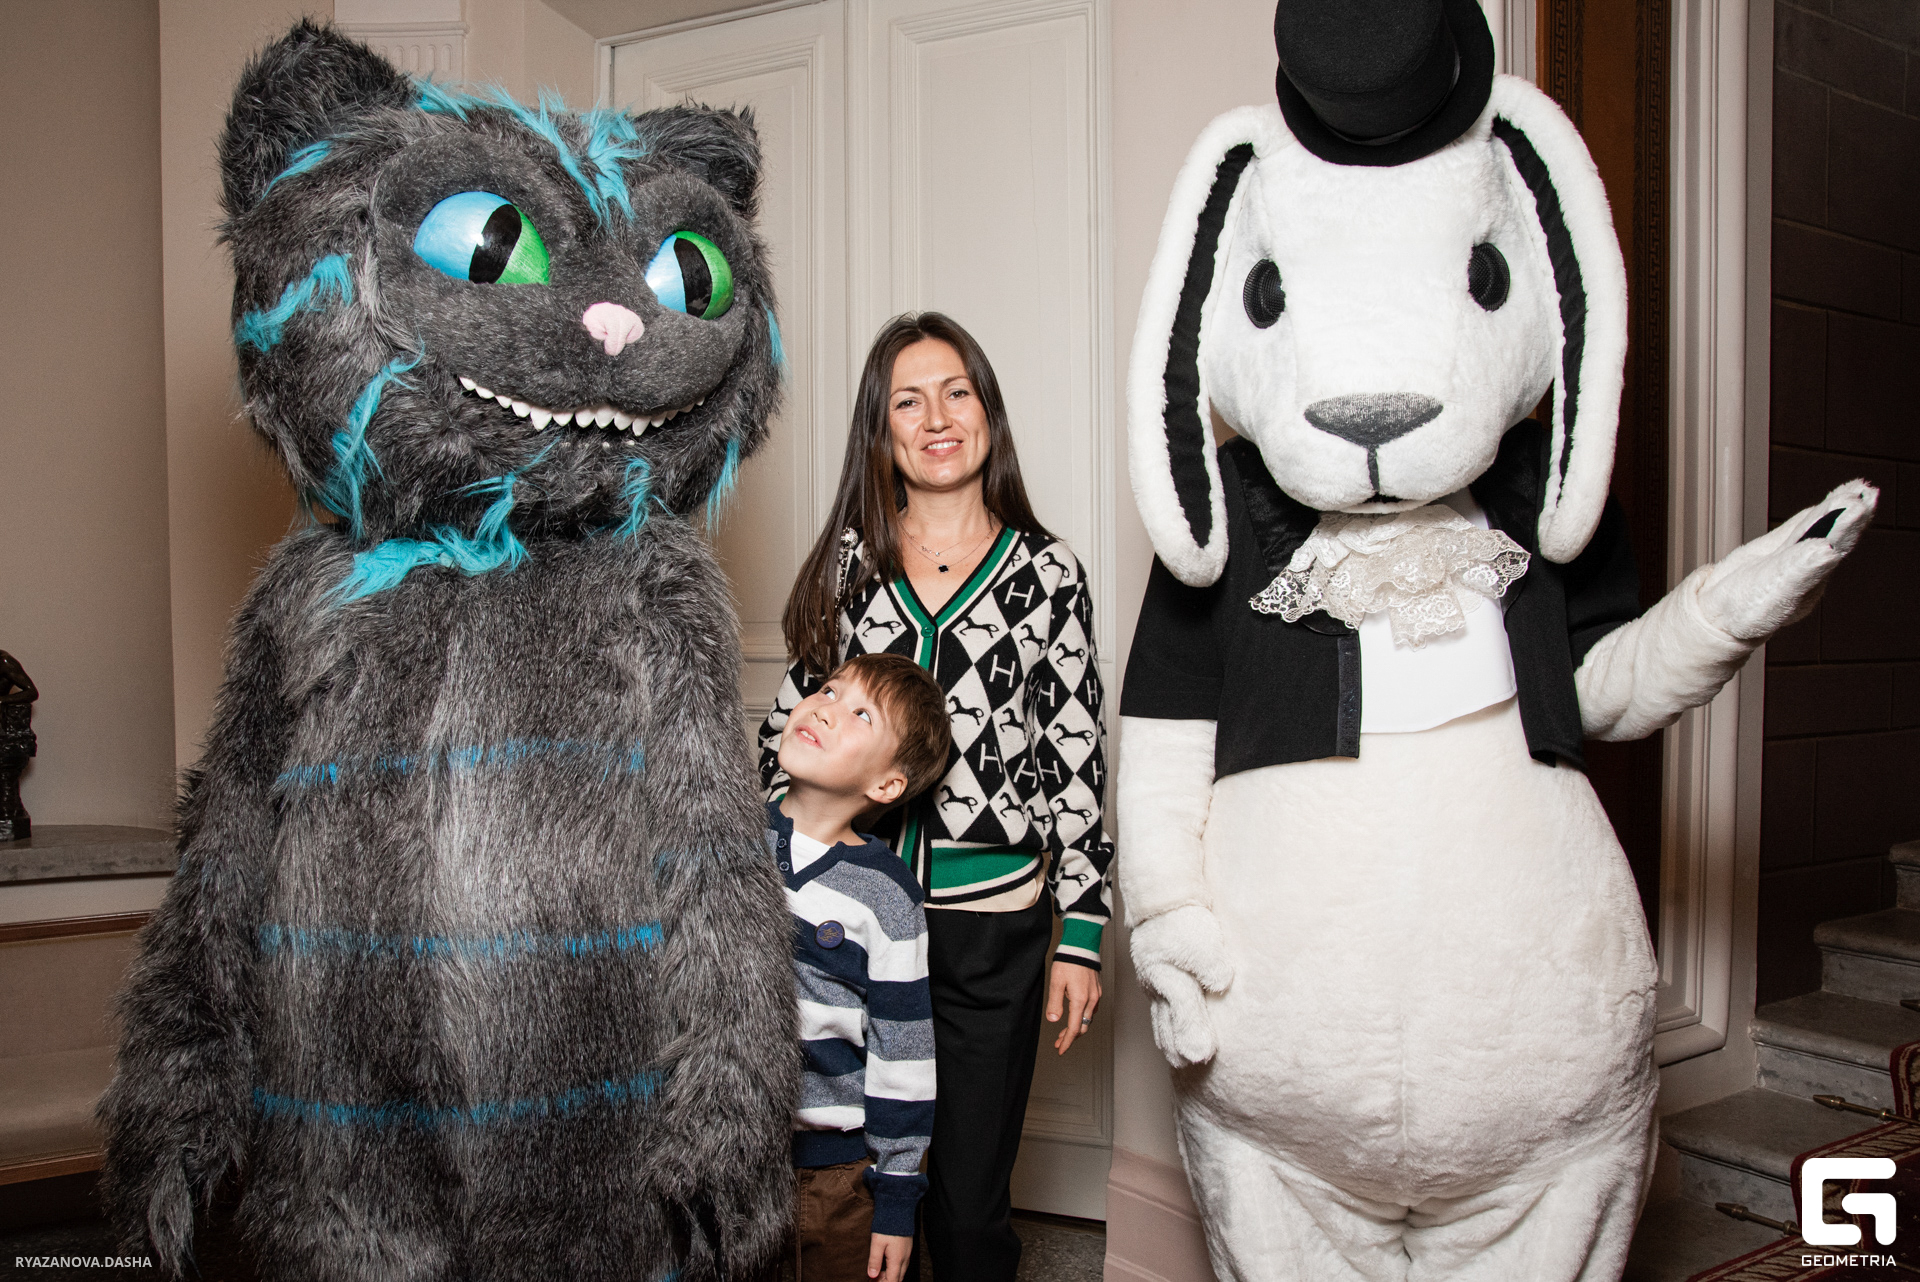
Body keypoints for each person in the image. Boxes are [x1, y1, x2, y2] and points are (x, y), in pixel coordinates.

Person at [759, 312, 1113, 1280]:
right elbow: (790, 727)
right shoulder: (850, 566)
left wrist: (1080, 928)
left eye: (957, 392)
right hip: (843, 926)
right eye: (908, 402)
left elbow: (1075, 756)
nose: (938, 418)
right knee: (849, 1194)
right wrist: (764, 873)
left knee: (965, 1211)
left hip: (986, 929)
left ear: (987, 411)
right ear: (882, 431)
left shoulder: (1047, 574)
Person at [767, 652, 949, 1282]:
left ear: (887, 785)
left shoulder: (888, 898)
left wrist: (896, 1201)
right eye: (828, 690)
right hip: (723, 1156)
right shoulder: (725, 839)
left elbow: (903, 1058)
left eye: (861, 714)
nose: (826, 709)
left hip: (836, 1180)